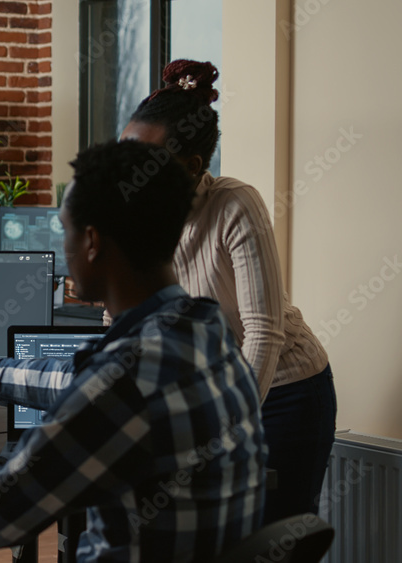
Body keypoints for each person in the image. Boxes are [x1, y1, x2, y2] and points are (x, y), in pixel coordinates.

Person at [0, 141, 267, 562]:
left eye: (66, 229)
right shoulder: (208, 331)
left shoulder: (122, 382)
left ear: (92, 241)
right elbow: (73, 382)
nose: (65, 249)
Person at [119, 59, 336, 524]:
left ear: (192, 165)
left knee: (271, 534)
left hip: (283, 391)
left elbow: (263, 332)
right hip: (203, 395)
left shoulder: (235, 205)